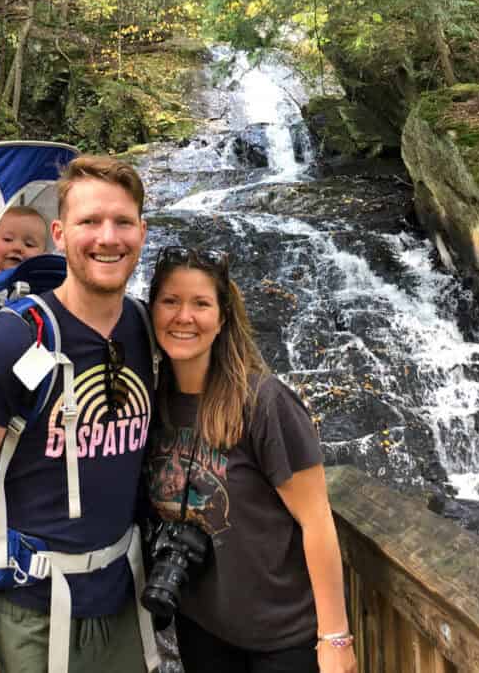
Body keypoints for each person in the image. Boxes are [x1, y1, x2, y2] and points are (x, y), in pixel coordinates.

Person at [0, 156, 159, 673]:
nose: (108, 237)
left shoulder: (147, 330)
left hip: (124, 600)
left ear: (142, 232)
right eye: (89, 222)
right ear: (59, 233)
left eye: (123, 222)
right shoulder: (14, 338)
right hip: (29, 611)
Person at [145, 246, 357, 673]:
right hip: (202, 628)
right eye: (170, 301)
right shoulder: (151, 403)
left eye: (200, 303)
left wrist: (335, 636)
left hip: (281, 638)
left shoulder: (263, 401)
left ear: (221, 319)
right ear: (151, 313)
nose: (183, 317)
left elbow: (316, 518)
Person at [0, 205, 48, 278]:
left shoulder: (46, 283)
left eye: (29, 244)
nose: (17, 247)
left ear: (44, 257)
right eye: (8, 239)